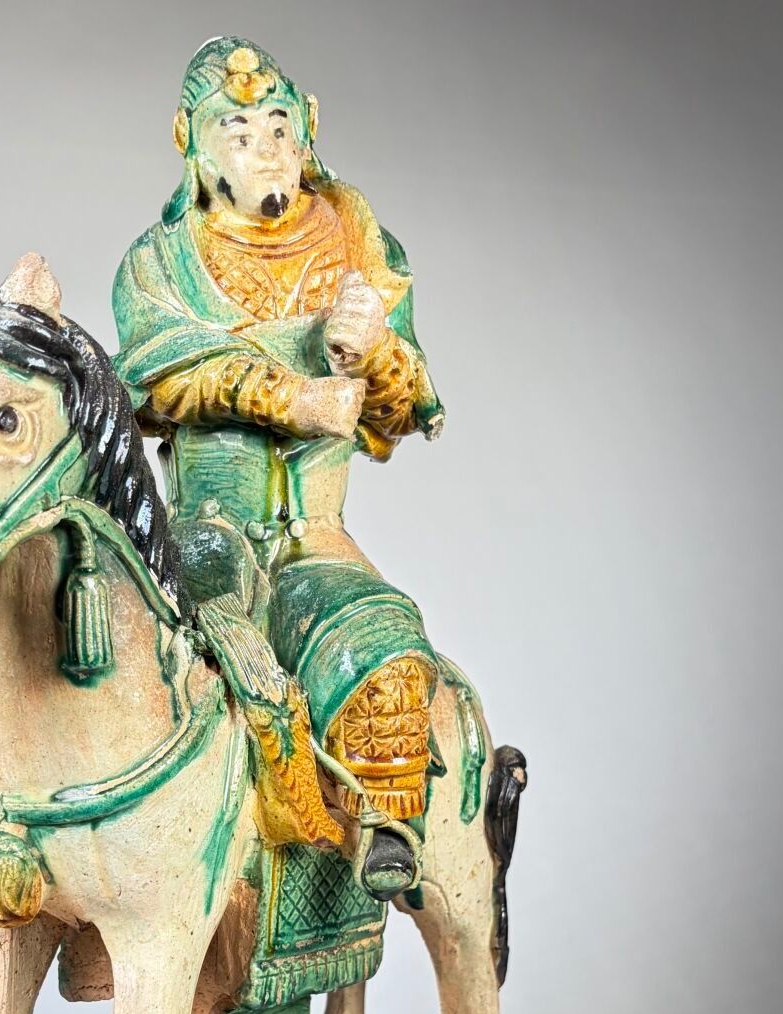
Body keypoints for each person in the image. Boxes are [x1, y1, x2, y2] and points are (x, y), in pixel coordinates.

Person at [113, 36, 446, 900]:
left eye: (278, 127)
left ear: (309, 130)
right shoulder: (160, 264)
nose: (265, 148)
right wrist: (291, 397)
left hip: (313, 536)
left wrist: (374, 354)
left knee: (386, 644)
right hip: (202, 532)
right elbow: (155, 377)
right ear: (190, 140)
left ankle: (387, 830)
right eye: (238, 131)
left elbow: (403, 408)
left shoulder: (356, 243)